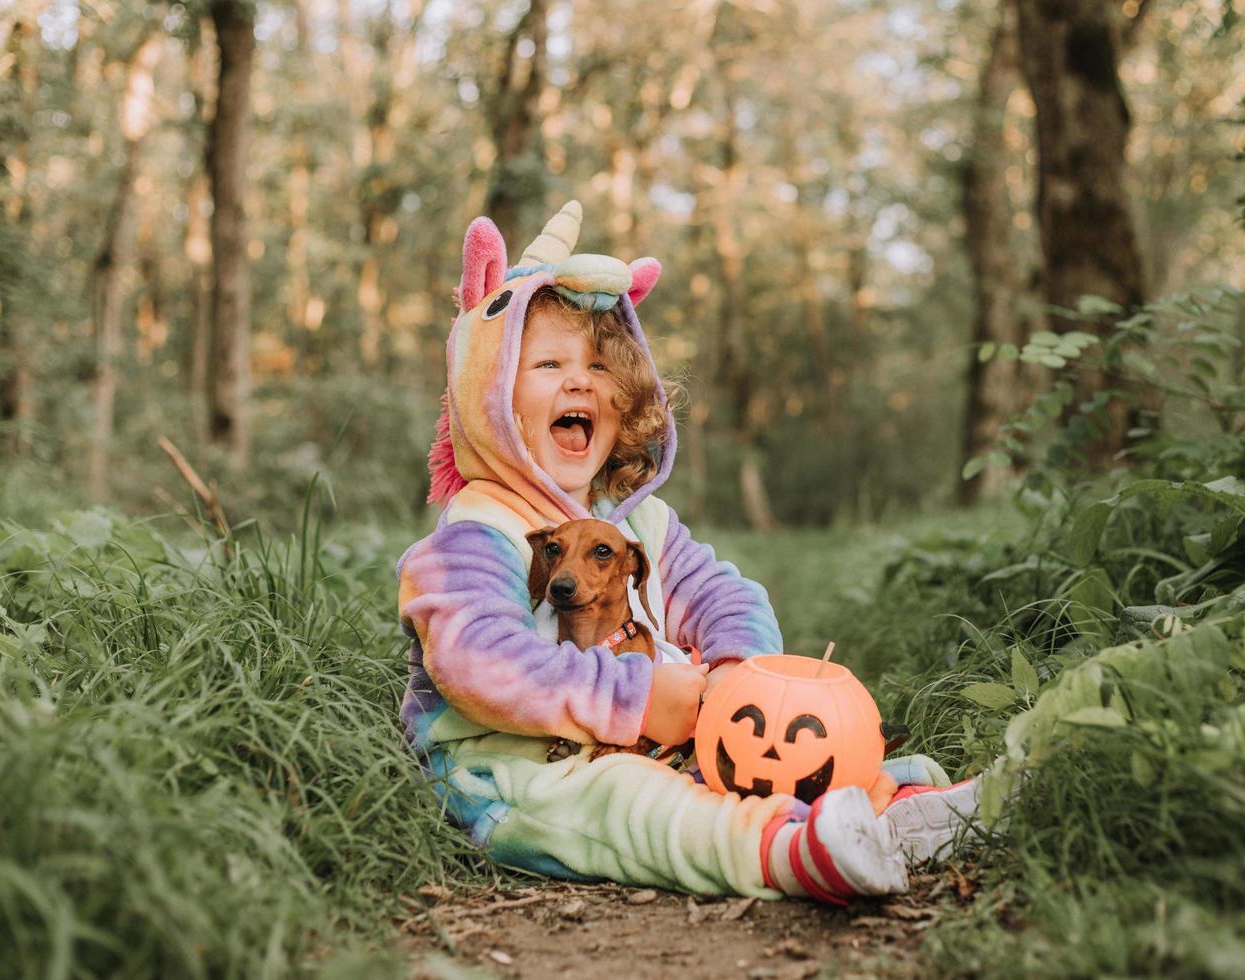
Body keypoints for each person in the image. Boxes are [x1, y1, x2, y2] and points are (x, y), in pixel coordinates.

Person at [398, 201, 980, 903]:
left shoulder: (638, 524)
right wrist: (637, 700)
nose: (579, 380)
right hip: (513, 772)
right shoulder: (475, 531)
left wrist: (736, 675)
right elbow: (478, 659)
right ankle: (785, 851)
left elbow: (721, 594)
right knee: (631, 804)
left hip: (639, 738)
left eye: (598, 366)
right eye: (547, 363)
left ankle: (886, 802)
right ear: (485, 398)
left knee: (740, 758)